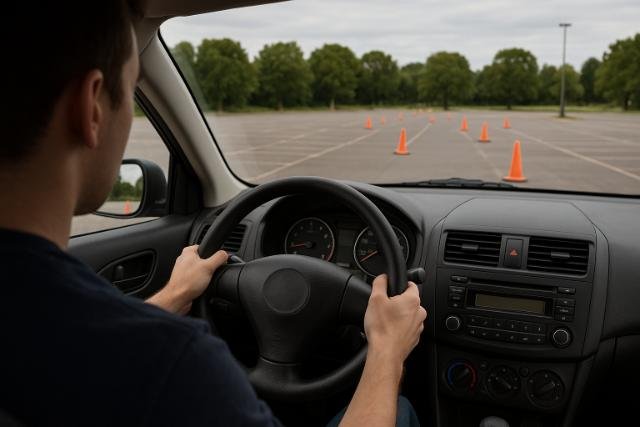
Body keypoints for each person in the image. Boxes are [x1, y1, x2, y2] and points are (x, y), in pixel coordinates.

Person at [0, 2, 427, 426]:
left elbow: (82, 354)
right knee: (402, 408)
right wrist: (387, 350)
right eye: (131, 92)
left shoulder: (55, 334)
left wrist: (171, 296)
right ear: (90, 107)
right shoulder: (176, 368)